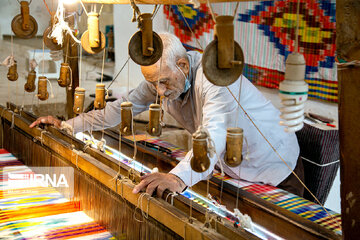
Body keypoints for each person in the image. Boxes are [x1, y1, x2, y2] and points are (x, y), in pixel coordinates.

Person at [30, 33, 304, 197]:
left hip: (275, 169)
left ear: (183, 65)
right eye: (153, 84)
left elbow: (213, 133)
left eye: (163, 82)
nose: (159, 92)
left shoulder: (215, 79)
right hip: (231, 166)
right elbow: (119, 109)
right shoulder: (163, 77)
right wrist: (68, 126)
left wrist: (177, 178)